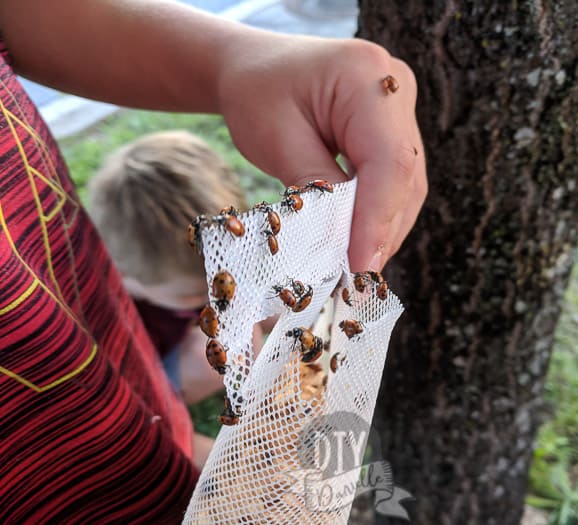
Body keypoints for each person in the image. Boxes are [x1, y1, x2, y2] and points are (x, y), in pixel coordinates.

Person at [0, 0, 426, 522]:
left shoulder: (110, 296)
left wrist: (232, 60)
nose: (208, 302)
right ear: (136, 277)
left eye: (212, 293)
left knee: (174, 445)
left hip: (103, 360)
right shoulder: (150, 306)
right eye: (193, 298)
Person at [87, 129, 265, 467]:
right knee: (194, 451)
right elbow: (123, 413)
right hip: (140, 380)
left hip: (180, 338)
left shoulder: (168, 276)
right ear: (124, 275)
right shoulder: (106, 314)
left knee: (243, 326)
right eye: (195, 292)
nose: (215, 298)